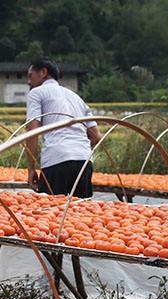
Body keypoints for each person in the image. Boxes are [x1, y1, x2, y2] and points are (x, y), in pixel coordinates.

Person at [25, 58, 101, 197]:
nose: (28, 82)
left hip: (56, 159)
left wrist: (30, 168)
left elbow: (32, 131)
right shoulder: (76, 97)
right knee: (82, 212)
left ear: (43, 72)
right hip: (84, 161)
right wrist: (78, 148)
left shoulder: (36, 93)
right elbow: (96, 137)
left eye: (31, 76)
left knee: (50, 212)